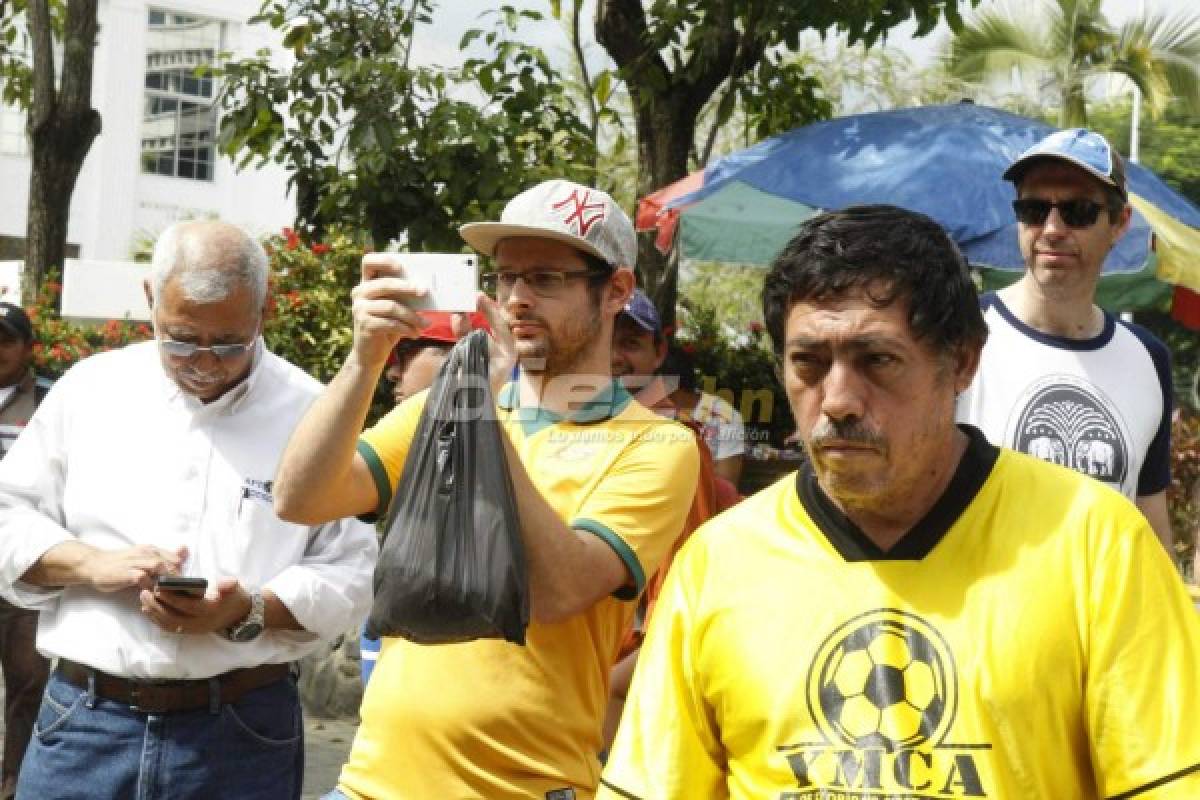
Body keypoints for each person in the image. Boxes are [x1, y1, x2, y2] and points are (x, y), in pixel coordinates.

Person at [598, 205, 1200, 799]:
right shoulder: (718, 563)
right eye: (808, 362)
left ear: (962, 361)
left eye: (877, 360)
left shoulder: (1095, 545)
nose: (837, 400)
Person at [273, 178, 699, 799]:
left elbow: (556, 592)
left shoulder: (657, 445)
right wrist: (365, 358)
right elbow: (300, 499)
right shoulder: (439, 411)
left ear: (617, 291)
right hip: (369, 785)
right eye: (506, 278)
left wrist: (481, 409)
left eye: (546, 279)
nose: (518, 299)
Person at [0, 221, 378, 800]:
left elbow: (352, 569)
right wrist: (91, 565)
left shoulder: (313, 411)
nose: (204, 362)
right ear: (151, 301)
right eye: (179, 340)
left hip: (240, 731)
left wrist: (249, 609)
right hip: (85, 723)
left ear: (263, 309)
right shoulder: (91, 391)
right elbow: (8, 515)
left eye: (229, 343)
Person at [957, 128, 1176, 557]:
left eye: (1078, 212)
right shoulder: (961, 336)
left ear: (1119, 224)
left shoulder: (1149, 360)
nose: (1052, 229)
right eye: (1035, 209)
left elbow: (1149, 521)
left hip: (1105, 619)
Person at [604, 289, 739, 751]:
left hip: (625, 676)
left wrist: (619, 683)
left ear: (658, 352)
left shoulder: (675, 444)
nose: (615, 356)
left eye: (631, 342)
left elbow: (683, 584)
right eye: (605, 336)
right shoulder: (553, 432)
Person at [360, 309, 488, 685]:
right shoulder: (404, 438)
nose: (392, 372)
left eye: (406, 353)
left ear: (458, 355)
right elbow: (301, 500)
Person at [0, 303, 52, 799]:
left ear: (28, 347)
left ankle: (14, 780)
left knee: (27, 680)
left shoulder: (52, 400)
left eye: (6, 339)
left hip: (23, 567)